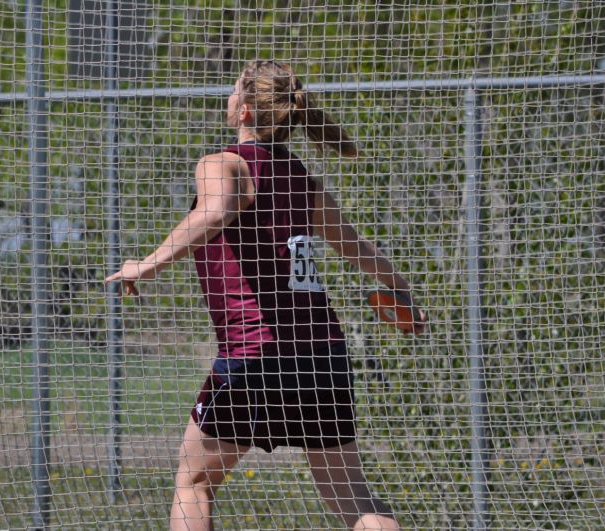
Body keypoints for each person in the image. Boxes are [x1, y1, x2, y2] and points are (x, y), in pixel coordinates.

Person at [105, 60, 422, 531]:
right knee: (353, 498)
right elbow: (355, 246)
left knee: (193, 482)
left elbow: (215, 213)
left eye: (234, 92)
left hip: (257, 353)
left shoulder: (223, 163)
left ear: (247, 109)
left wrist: (144, 264)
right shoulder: (301, 179)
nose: (228, 99)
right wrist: (400, 289)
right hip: (322, 355)